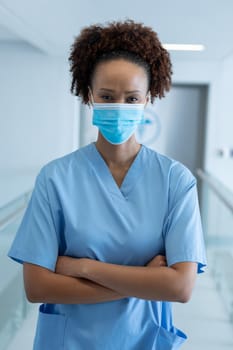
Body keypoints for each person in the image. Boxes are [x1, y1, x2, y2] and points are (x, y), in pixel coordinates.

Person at [8, 19, 207, 350]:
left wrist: (81, 267)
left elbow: (180, 289)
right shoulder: (56, 178)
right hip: (69, 341)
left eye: (131, 98)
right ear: (89, 96)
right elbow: (38, 286)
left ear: (147, 100)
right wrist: (147, 281)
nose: (119, 106)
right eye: (107, 95)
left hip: (143, 338)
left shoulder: (175, 180)